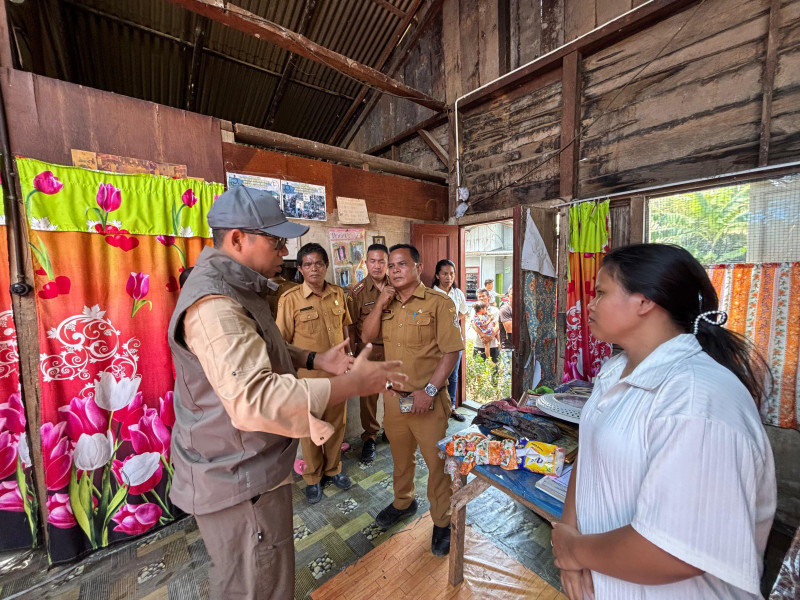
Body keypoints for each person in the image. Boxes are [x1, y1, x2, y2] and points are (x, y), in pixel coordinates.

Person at [167, 185, 407, 600]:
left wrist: (314, 359)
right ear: (238, 239)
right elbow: (254, 398)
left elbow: (264, 344)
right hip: (238, 474)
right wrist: (350, 384)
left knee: (265, 571)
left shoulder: (242, 287)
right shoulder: (215, 304)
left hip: (249, 464)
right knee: (258, 583)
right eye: (276, 241)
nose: (285, 251)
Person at [551, 243, 776, 600]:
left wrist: (574, 551)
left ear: (644, 301)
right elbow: (590, 452)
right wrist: (568, 534)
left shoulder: (697, 400)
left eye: (601, 293)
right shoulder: (614, 370)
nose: (589, 305)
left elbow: (674, 551)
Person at [361, 244, 463, 556]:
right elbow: (367, 336)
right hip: (395, 400)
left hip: (428, 401)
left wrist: (429, 391)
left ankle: (442, 521)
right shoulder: (387, 302)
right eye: (391, 266)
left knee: (437, 465)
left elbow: (452, 351)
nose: (394, 270)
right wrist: (381, 302)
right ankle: (404, 502)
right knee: (401, 458)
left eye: (401, 264)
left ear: (418, 268)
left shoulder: (438, 303)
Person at [276, 243, 353, 504]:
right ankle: (312, 477)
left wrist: (349, 356)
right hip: (308, 382)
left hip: (338, 379)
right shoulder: (290, 299)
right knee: (310, 430)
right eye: (308, 264)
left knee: (336, 426)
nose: (314, 269)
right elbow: (282, 343)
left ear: (326, 266)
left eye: (318, 263)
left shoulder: (337, 293)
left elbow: (345, 327)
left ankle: (333, 469)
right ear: (300, 269)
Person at [346, 243, 391, 461]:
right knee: (369, 399)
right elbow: (350, 326)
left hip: (395, 351)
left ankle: (391, 430)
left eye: (381, 261)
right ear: (366, 262)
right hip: (369, 351)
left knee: (395, 393)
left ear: (388, 263)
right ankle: (370, 437)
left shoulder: (399, 287)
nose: (377, 266)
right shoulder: (357, 292)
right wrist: (352, 355)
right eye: (372, 261)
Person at [432, 259, 469, 422]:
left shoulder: (457, 293)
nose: (449, 277)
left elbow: (463, 312)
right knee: (435, 375)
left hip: (455, 342)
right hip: (436, 344)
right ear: (437, 275)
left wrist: (451, 323)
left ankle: (451, 407)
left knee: (453, 376)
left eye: (451, 274)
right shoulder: (431, 294)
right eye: (445, 274)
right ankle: (434, 408)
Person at [471, 287, 500, 365]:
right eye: (479, 296)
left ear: (488, 297)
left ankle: (499, 342)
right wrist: (483, 335)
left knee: (494, 369)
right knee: (478, 369)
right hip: (479, 344)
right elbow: (474, 324)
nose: (481, 298)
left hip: (493, 344)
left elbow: (497, 325)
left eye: (483, 296)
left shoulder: (495, 310)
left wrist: (491, 336)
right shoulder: (474, 310)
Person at [498, 285, 513, 369]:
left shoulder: (522, 308)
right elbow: (510, 329)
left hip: (520, 347)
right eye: (513, 294)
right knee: (508, 374)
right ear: (508, 296)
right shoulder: (505, 309)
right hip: (508, 348)